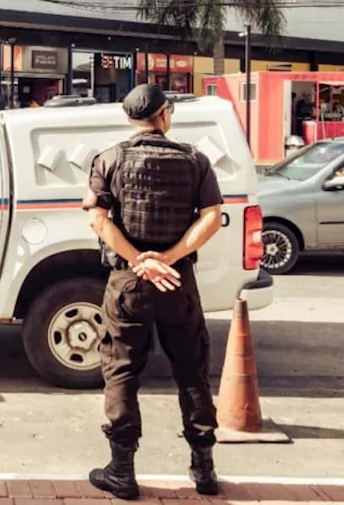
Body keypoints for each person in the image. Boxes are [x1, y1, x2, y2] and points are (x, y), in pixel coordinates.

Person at [81, 84, 223, 500]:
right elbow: (212, 217)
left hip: (128, 283)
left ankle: (122, 471)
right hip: (177, 282)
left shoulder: (108, 159)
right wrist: (170, 257)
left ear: (129, 118)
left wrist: (139, 260)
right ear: (165, 114)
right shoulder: (194, 159)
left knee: (122, 370)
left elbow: (99, 220)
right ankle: (204, 469)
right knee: (192, 371)